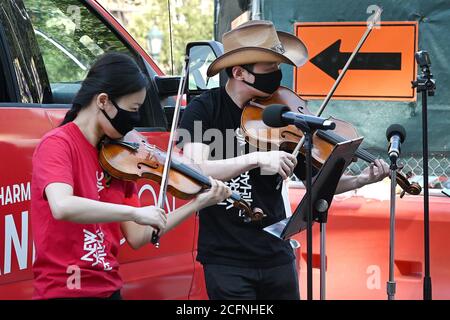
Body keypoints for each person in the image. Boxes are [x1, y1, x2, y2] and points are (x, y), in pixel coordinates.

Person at [177, 20, 390, 300]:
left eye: (278, 68)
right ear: (240, 72)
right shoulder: (203, 110)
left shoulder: (283, 113)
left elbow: (315, 182)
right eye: (270, 69)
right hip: (227, 260)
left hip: (277, 253)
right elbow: (194, 171)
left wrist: (359, 180)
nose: (277, 76)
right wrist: (255, 159)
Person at [30, 52, 232, 300]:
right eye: (132, 109)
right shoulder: (57, 144)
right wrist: (135, 212)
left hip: (109, 288)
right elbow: (62, 205)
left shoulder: (119, 159)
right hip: (64, 290)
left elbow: (138, 236)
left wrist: (197, 203)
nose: (134, 122)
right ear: (103, 101)